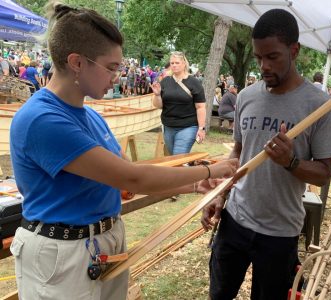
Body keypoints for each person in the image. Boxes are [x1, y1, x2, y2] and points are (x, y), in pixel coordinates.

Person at [9, 3, 238, 300]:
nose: (117, 77)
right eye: (112, 67)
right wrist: (212, 170)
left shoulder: (89, 116)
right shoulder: (42, 119)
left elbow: (123, 177)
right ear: (77, 62)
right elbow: (131, 178)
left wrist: (194, 184)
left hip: (101, 243)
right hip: (61, 253)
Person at [201, 9, 331, 300]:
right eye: (258, 57)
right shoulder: (247, 97)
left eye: (272, 57)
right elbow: (238, 154)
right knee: (219, 294)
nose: (264, 66)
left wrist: (290, 162)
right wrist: (220, 195)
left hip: (280, 233)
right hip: (235, 222)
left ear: (294, 50)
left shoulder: (320, 106)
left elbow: (324, 174)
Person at [151, 51, 207, 155]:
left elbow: (200, 107)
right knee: (175, 159)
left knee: (178, 156)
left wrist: (201, 128)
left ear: (184, 63)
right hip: (168, 126)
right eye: (172, 63)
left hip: (188, 126)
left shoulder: (194, 82)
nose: (174, 65)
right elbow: (158, 105)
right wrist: (157, 95)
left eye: (177, 63)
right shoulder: (165, 81)